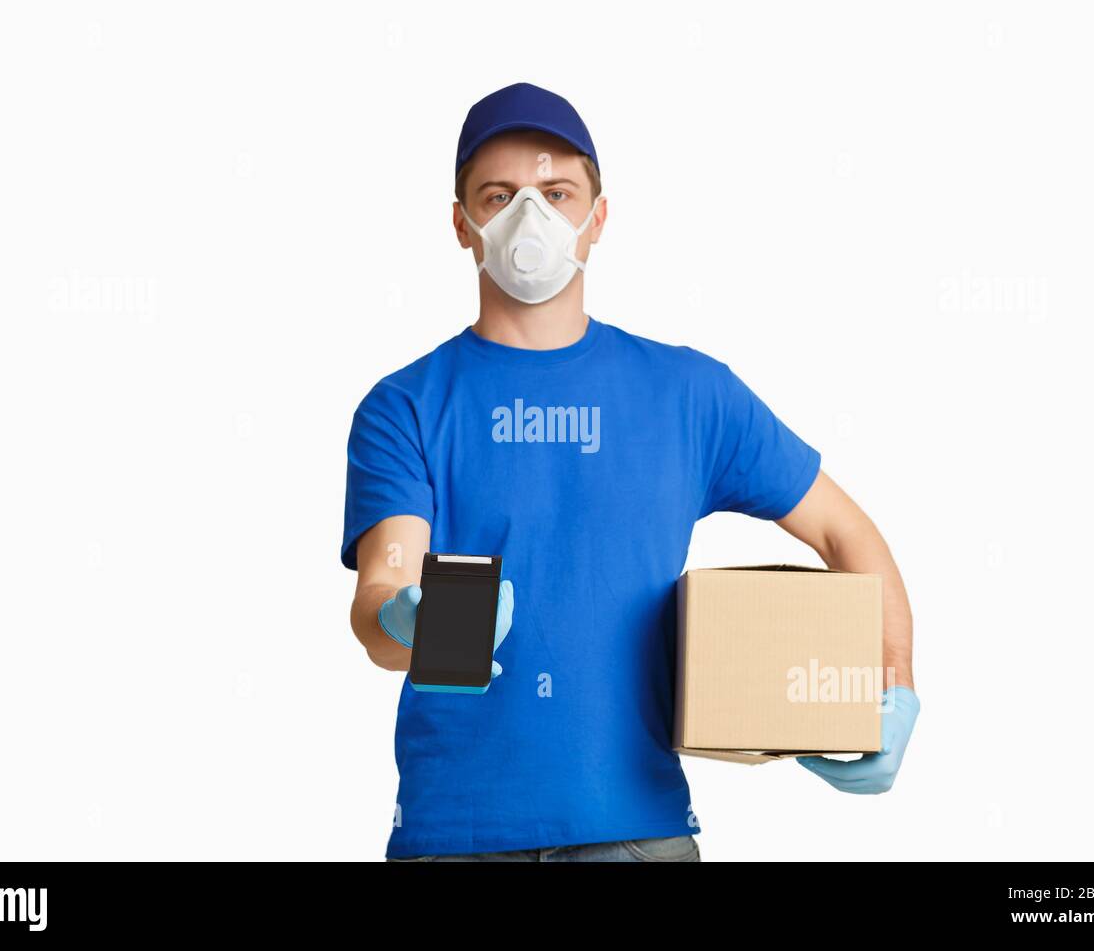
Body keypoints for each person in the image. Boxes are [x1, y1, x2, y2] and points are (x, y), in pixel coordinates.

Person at [342, 83, 920, 862]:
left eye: (555, 193)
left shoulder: (688, 393)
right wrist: (404, 620)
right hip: (458, 833)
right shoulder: (405, 405)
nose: (530, 218)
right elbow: (383, 594)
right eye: (499, 195)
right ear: (462, 224)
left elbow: (844, 532)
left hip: (640, 832)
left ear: (597, 217)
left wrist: (891, 684)